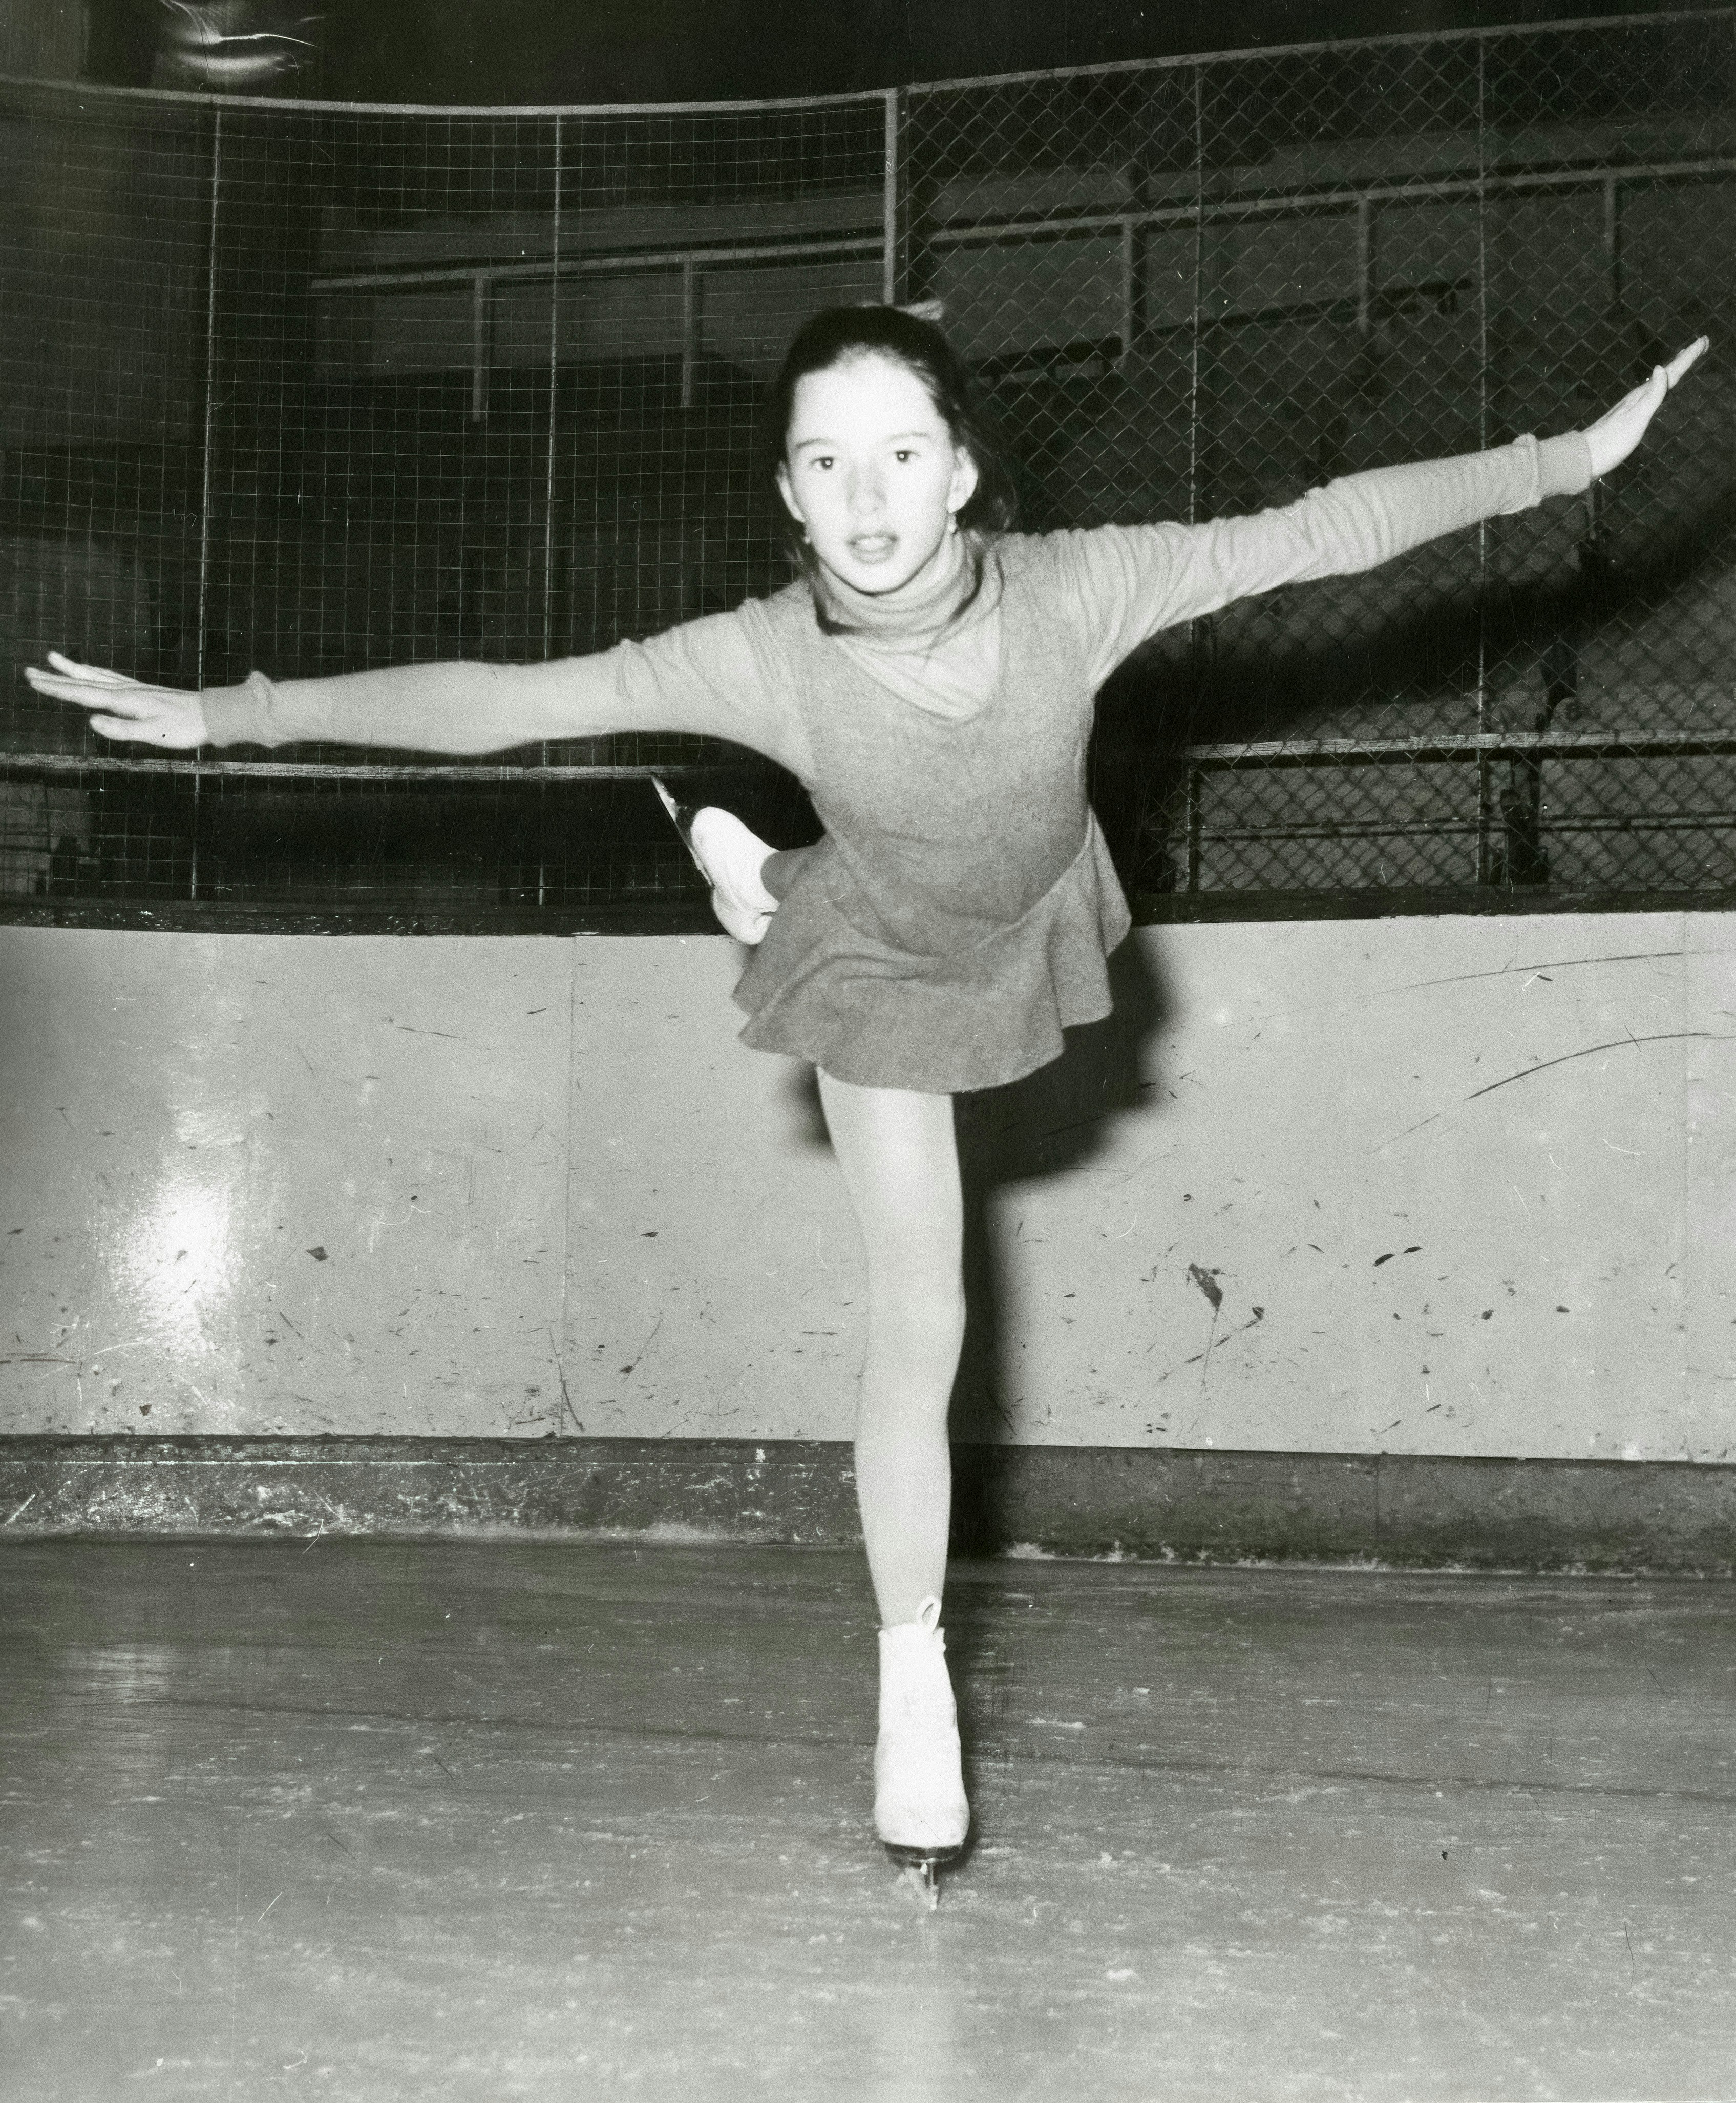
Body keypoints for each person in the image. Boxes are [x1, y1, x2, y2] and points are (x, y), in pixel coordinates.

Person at [29, 308, 1706, 1902]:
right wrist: (233, 711)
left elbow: (1326, 524)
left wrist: (1565, 458)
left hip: (1026, 906)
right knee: (927, 1316)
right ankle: (913, 1669)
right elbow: (508, 698)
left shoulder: (1082, 589)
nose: (865, 497)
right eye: (823, 464)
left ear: (963, 470)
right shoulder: (765, 650)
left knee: (794, 928)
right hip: (885, 964)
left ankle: (729, 848)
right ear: (786, 493)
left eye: (900, 454)